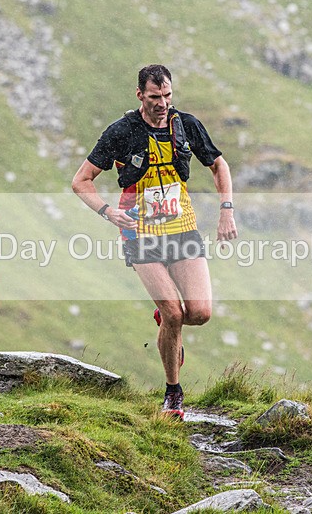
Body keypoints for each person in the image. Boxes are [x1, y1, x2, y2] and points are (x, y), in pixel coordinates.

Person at [72, 64, 237, 419]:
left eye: (167, 95)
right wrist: (107, 212)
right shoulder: (121, 131)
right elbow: (81, 180)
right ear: (139, 95)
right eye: (154, 97)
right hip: (139, 231)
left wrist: (226, 210)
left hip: (182, 227)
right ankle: (173, 393)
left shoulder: (186, 125)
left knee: (200, 313)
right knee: (175, 312)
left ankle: (167, 326)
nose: (162, 103)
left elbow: (219, 166)